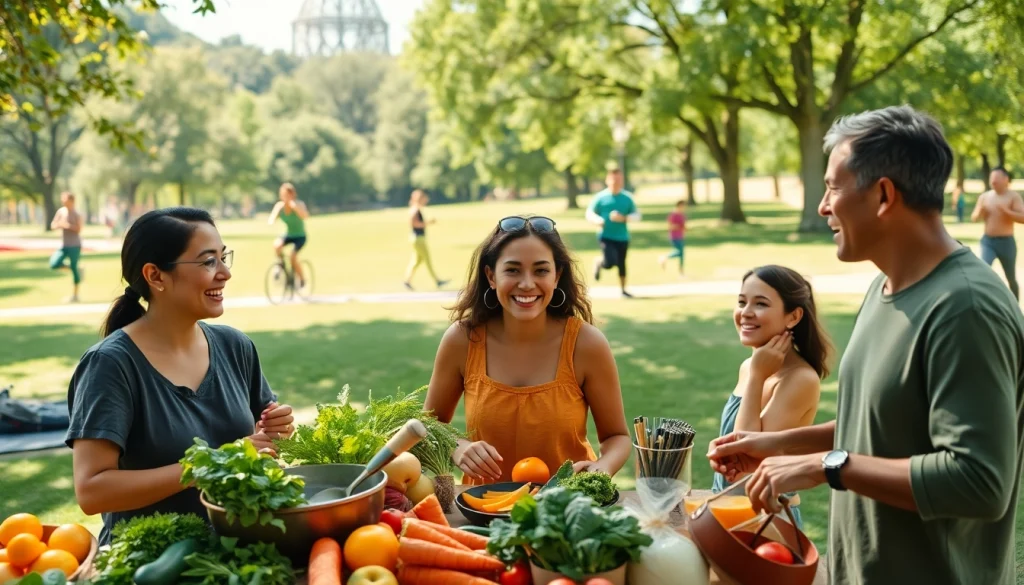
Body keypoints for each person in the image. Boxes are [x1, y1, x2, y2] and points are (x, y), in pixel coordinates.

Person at [707, 105, 1024, 585]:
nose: (822, 206)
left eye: (833, 188)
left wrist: (826, 466)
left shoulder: (966, 307)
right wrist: (776, 444)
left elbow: (980, 481)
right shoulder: (883, 289)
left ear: (883, 195)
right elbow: (882, 423)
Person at [65, 207, 296, 545]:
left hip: (237, 551)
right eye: (208, 262)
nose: (225, 273)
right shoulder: (110, 365)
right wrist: (215, 462)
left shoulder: (235, 346)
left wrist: (275, 432)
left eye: (223, 257)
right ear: (155, 276)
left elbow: (259, 446)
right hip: (147, 561)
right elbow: (92, 491)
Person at [425, 216, 632, 484]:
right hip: (484, 504)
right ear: (491, 276)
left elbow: (617, 437)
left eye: (541, 271)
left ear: (557, 276)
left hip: (567, 502)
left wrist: (601, 469)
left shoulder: (587, 344)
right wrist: (458, 446)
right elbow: (429, 425)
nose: (526, 283)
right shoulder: (462, 340)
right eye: (512, 270)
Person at [711, 265, 833, 530]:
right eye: (742, 302)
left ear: (793, 316)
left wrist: (757, 377)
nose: (746, 312)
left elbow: (744, 461)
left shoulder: (800, 379)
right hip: (726, 512)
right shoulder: (749, 366)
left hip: (767, 522)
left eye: (761, 303)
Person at [587, 163, 641, 297]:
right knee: (610, 262)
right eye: (613, 179)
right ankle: (600, 262)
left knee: (622, 263)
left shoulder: (627, 197)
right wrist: (597, 220)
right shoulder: (600, 197)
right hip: (605, 236)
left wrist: (624, 218)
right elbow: (589, 213)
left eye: (618, 179)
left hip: (622, 236)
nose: (616, 182)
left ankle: (623, 290)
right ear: (607, 180)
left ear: (622, 180)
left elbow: (637, 215)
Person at [971, 166, 1023, 299]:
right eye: (992, 178)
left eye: (997, 178)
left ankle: (1015, 305)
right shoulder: (985, 197)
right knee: (983, 269)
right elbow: (974, 218)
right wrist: (981, 212)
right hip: (988, 242)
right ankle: (985, 300)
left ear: (1005, 179)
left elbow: (1022, 218)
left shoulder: (1013, 196)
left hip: (1006, 242)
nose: (993, 181)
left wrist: (1007, 211)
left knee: (1010, 277)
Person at [403, 189, 449, 290]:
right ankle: (437, 281)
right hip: (418, 239)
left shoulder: (415, 209)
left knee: (416, 261)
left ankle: (407, 281)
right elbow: (414, 223)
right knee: (427, 260)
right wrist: (428, 223)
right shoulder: (415, 210)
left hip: (417, 238)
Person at [268, 183, 310, 287]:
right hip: (289, 234)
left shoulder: (298, 204)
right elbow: (272, 217)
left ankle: (301, 278)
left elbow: (305, 216)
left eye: (288, 195)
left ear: (293, 195)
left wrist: (295, 207)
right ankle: (280, 265)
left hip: (300, 236)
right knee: (277, 245)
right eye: (284, 195)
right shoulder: (280, 206)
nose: (286, 198)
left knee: (293, 256)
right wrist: (272, 221)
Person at [49, 192, 84, 303]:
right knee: (54, 263)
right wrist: (59, 225)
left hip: (75, 245)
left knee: (74, 268)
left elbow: (79, 229)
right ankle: (76, 269)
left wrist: (67, 226)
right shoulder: (61, 212)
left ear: (71, 201)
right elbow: (53, 225)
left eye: (65, 200)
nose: (63, 202)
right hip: (64, 245)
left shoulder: (76, 214)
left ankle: (75, 296)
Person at [658, 199, 687, 274]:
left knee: (681, 253)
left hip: (680, 236)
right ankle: (665, 257)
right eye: (683, 206)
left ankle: (681, 270)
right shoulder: (673, 215)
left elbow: (683, 226)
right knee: (679, 252)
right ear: (679, 205)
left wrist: (684, 229)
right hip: (674, 236)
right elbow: (670, 226)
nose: (684, 208)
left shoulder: (682, 215)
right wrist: (679, 226)